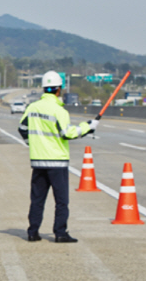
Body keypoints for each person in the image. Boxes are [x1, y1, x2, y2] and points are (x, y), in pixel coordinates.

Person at [18, 71, 99, 243]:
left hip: (38, 162)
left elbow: (22, 129)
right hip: (57, 162)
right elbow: (68, 134)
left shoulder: (32, 108)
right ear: (58, 90)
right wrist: (87, 127)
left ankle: (33, 232)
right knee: (61, 201)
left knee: (37, 200)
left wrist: (32, 144)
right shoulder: (59, 111)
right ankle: (60, 233)